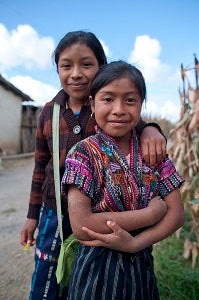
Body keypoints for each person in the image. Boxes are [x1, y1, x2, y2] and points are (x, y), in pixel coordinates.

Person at [20, 31, 167, 300]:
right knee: (47, 275)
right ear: (57, 69)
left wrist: (152, 130)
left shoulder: (106, 107)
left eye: (87, 64)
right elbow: (40, 168)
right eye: (66, 65)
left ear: (102, 67)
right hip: (54, 213)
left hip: (99, 213)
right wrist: (32, 217)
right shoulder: (48, 113)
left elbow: (137, 126)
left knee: (85, 275)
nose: (76, 73)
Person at [61, 60, 185, 300]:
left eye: (130, 100)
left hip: (142, 269)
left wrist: (135, 244)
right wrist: (149, 215)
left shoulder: (153, 154)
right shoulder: (82, 154)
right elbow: (81, 225)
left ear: (141, 105)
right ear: (92, 104)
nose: (119, 109)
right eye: (108, 99)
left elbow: (177, 214)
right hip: (96, 272)